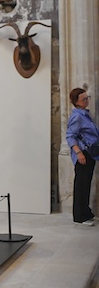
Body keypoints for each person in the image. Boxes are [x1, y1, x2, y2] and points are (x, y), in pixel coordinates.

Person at [66, 88, 99, 226]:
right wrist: (78, 153)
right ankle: (80, 216)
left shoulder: (85, 114)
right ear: (76, 102)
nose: (86, 101)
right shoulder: (77, 117)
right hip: (83, 153)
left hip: (90, 152)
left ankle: (86, 212)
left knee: (86, 184)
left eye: (87, 98)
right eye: (83, 99)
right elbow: (70, 136)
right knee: (81, 185)